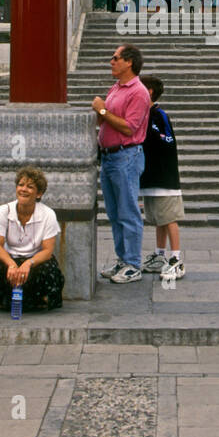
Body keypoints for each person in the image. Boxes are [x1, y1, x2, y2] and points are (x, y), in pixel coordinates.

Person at [94, 44, 152, 283]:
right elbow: (106, 117)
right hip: (109, 156)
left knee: (128, 211)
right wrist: (102, 113)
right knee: (115, 211)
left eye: (115, 57)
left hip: (126, 156)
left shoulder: (138, 92)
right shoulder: (116, 87)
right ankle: (122, 258)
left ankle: (133, 264)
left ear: (129, 62)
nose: (111, 61)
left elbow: (130, 127)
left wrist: (103, 111)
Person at [0, 166, 66, 311]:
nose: (23, 189)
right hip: (10, 258)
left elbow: (48, 251)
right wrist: (11, 264)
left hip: (34, 260)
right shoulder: (2, 211)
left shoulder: (48, 214)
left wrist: (28, 263)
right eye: (20, 185)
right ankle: (8, 298)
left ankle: (33, 300)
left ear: (39, 193)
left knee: (51, 273)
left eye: (30, 187)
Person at [139, 76, 185, 281]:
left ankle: (176, 258)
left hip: (164, 178)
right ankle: (160, 254)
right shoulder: (142, 114)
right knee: (159, 219)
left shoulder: (159, 115)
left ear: (148, 92)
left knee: (169, 219)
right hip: (149, 177)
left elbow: (166, 140)